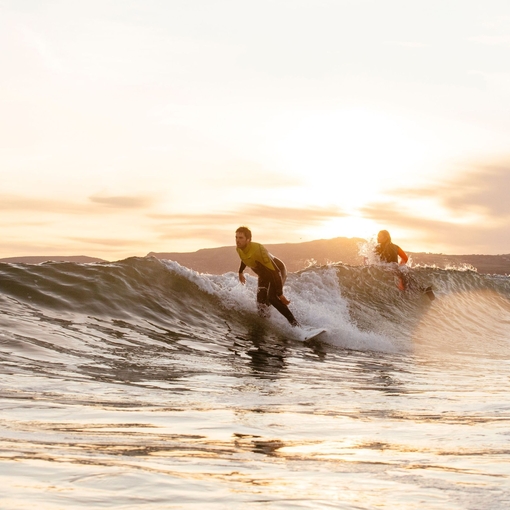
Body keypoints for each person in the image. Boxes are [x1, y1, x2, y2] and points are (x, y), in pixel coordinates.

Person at [235, 226, 300, 327]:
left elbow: (276, 271)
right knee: (261, 303)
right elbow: (244, 259)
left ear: (248, 240)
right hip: (264, 276)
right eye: (236, 237)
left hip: (278, 271)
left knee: (272, 298)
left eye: (241, 238)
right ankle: (268, 324)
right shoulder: (239, 249)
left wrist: (280, 294)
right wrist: (240, 272)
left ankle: (295, 324)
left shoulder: (258, 250)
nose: (237, 240)